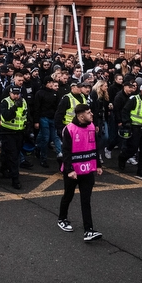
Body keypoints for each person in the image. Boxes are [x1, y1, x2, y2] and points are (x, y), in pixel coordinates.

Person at [56, 103, 103, 242]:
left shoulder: (92, 127)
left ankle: (88, 230)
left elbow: (95, 147)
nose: (92, 114)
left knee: (86, 200)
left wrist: (98, 165)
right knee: (68, 195)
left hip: (87, 169)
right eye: (89, 112)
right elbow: (66, 151)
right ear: (81, 115)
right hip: (73, 171)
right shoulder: (69, 129)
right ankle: (62, 219)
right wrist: (69, 170)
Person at [119, 82, 142, 178]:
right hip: (135, 127)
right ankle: (122, 158)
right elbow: (125, 111)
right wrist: (127, 123)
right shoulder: (134, 99)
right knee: (132, 148)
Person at [0, 85, 28, 190]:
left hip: (19, 133)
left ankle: (3, 168)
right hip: (7, 132)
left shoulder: (23, 101)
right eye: (14, 94)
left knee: (9, 153)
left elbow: (25, 115)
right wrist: (15, 107)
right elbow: (6, 116)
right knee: (14, 156)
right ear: (10, 93)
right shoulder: (5, 102)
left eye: (17, 94)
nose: (16, 96)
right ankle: (15, 180)